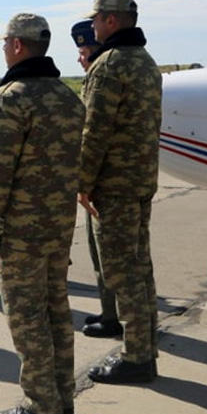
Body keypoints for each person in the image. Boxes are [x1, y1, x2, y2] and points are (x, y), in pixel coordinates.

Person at [0, 14, 85, 414]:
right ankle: (62, 394)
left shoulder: (12, 97)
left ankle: (42, 403)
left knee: (25, 315)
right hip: (58, 223)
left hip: (21, 229)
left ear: (18, 46)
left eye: (5, 43)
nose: (3, 50)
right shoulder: (66, 96)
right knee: (56, 308)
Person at [79, 0, 162, 384]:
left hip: (114, 185)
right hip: (141, 180)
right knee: (139, 267)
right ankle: (145, 347)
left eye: (96, 19)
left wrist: (82, 182)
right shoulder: (146, 62)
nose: (93, 25)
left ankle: (137, 357)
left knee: (121, 271)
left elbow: (95, 131)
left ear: (111, 20)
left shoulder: (110, 65)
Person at [71, 20, 122, 340]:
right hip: (102, 180)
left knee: (109, 253)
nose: (80, 59)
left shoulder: (101, 79)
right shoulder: (97, 77)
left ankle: (116, 317)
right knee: (98, 251)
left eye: (83, 51)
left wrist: (83, 183)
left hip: (105, 182)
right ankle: (109, 313)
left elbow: (94, 134)